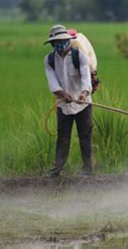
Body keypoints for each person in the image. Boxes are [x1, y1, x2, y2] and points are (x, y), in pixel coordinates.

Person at [43, 24, 93, 177]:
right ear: (53, 44)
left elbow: (86, 77)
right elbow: (52, 82)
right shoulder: (49, 60)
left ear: (68, 40)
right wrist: (63, 94)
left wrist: (83, 94)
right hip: (63, 105)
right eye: (57, 42)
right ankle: (57, 169)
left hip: (83, 104)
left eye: (63, 40)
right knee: (63, 137)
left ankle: (87, 169)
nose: (61, 44)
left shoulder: (80, 56)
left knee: (85, 137)